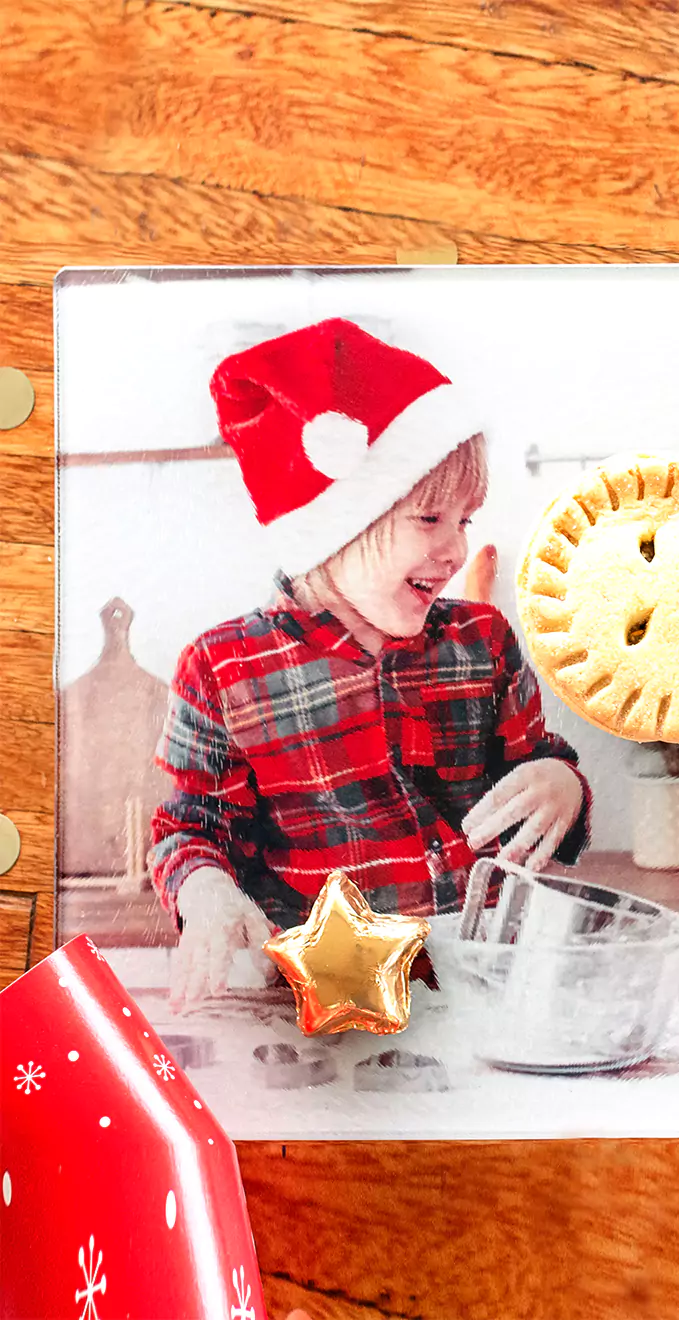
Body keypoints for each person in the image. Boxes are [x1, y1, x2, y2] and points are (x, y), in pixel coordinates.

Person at [149, 319, 590, 1010]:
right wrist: (207, 894)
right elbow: (191, 830)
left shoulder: (484, 641)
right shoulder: (224, 667)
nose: (454, 551)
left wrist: (564, 785)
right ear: (339, 521)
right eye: (429, 519)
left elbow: (541, 770)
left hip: (490, 976)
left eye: (466, 520)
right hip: (328, 996)